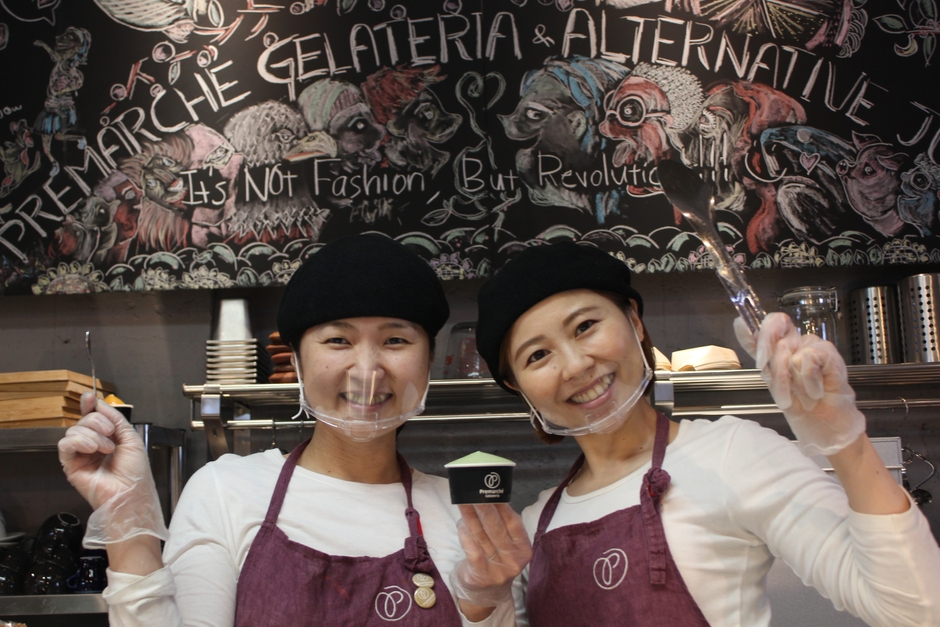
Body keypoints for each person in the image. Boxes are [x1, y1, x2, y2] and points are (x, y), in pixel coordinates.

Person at [58, 233, 531, 626]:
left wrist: (482, 600)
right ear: (299, 363)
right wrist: (129, 523)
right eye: (338, 340)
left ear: (428, 362)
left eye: (395, 340)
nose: (367, 370)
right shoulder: (225, 492)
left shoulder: (466, 516)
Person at [474, 241, 940, 627]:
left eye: (586, 326)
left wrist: (845, 442)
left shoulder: (732, 454)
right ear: (518, 386)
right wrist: (481, 602)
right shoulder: (534, 526)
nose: (575, 365)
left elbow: (916, 611)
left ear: (634, 321)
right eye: (537, 355)